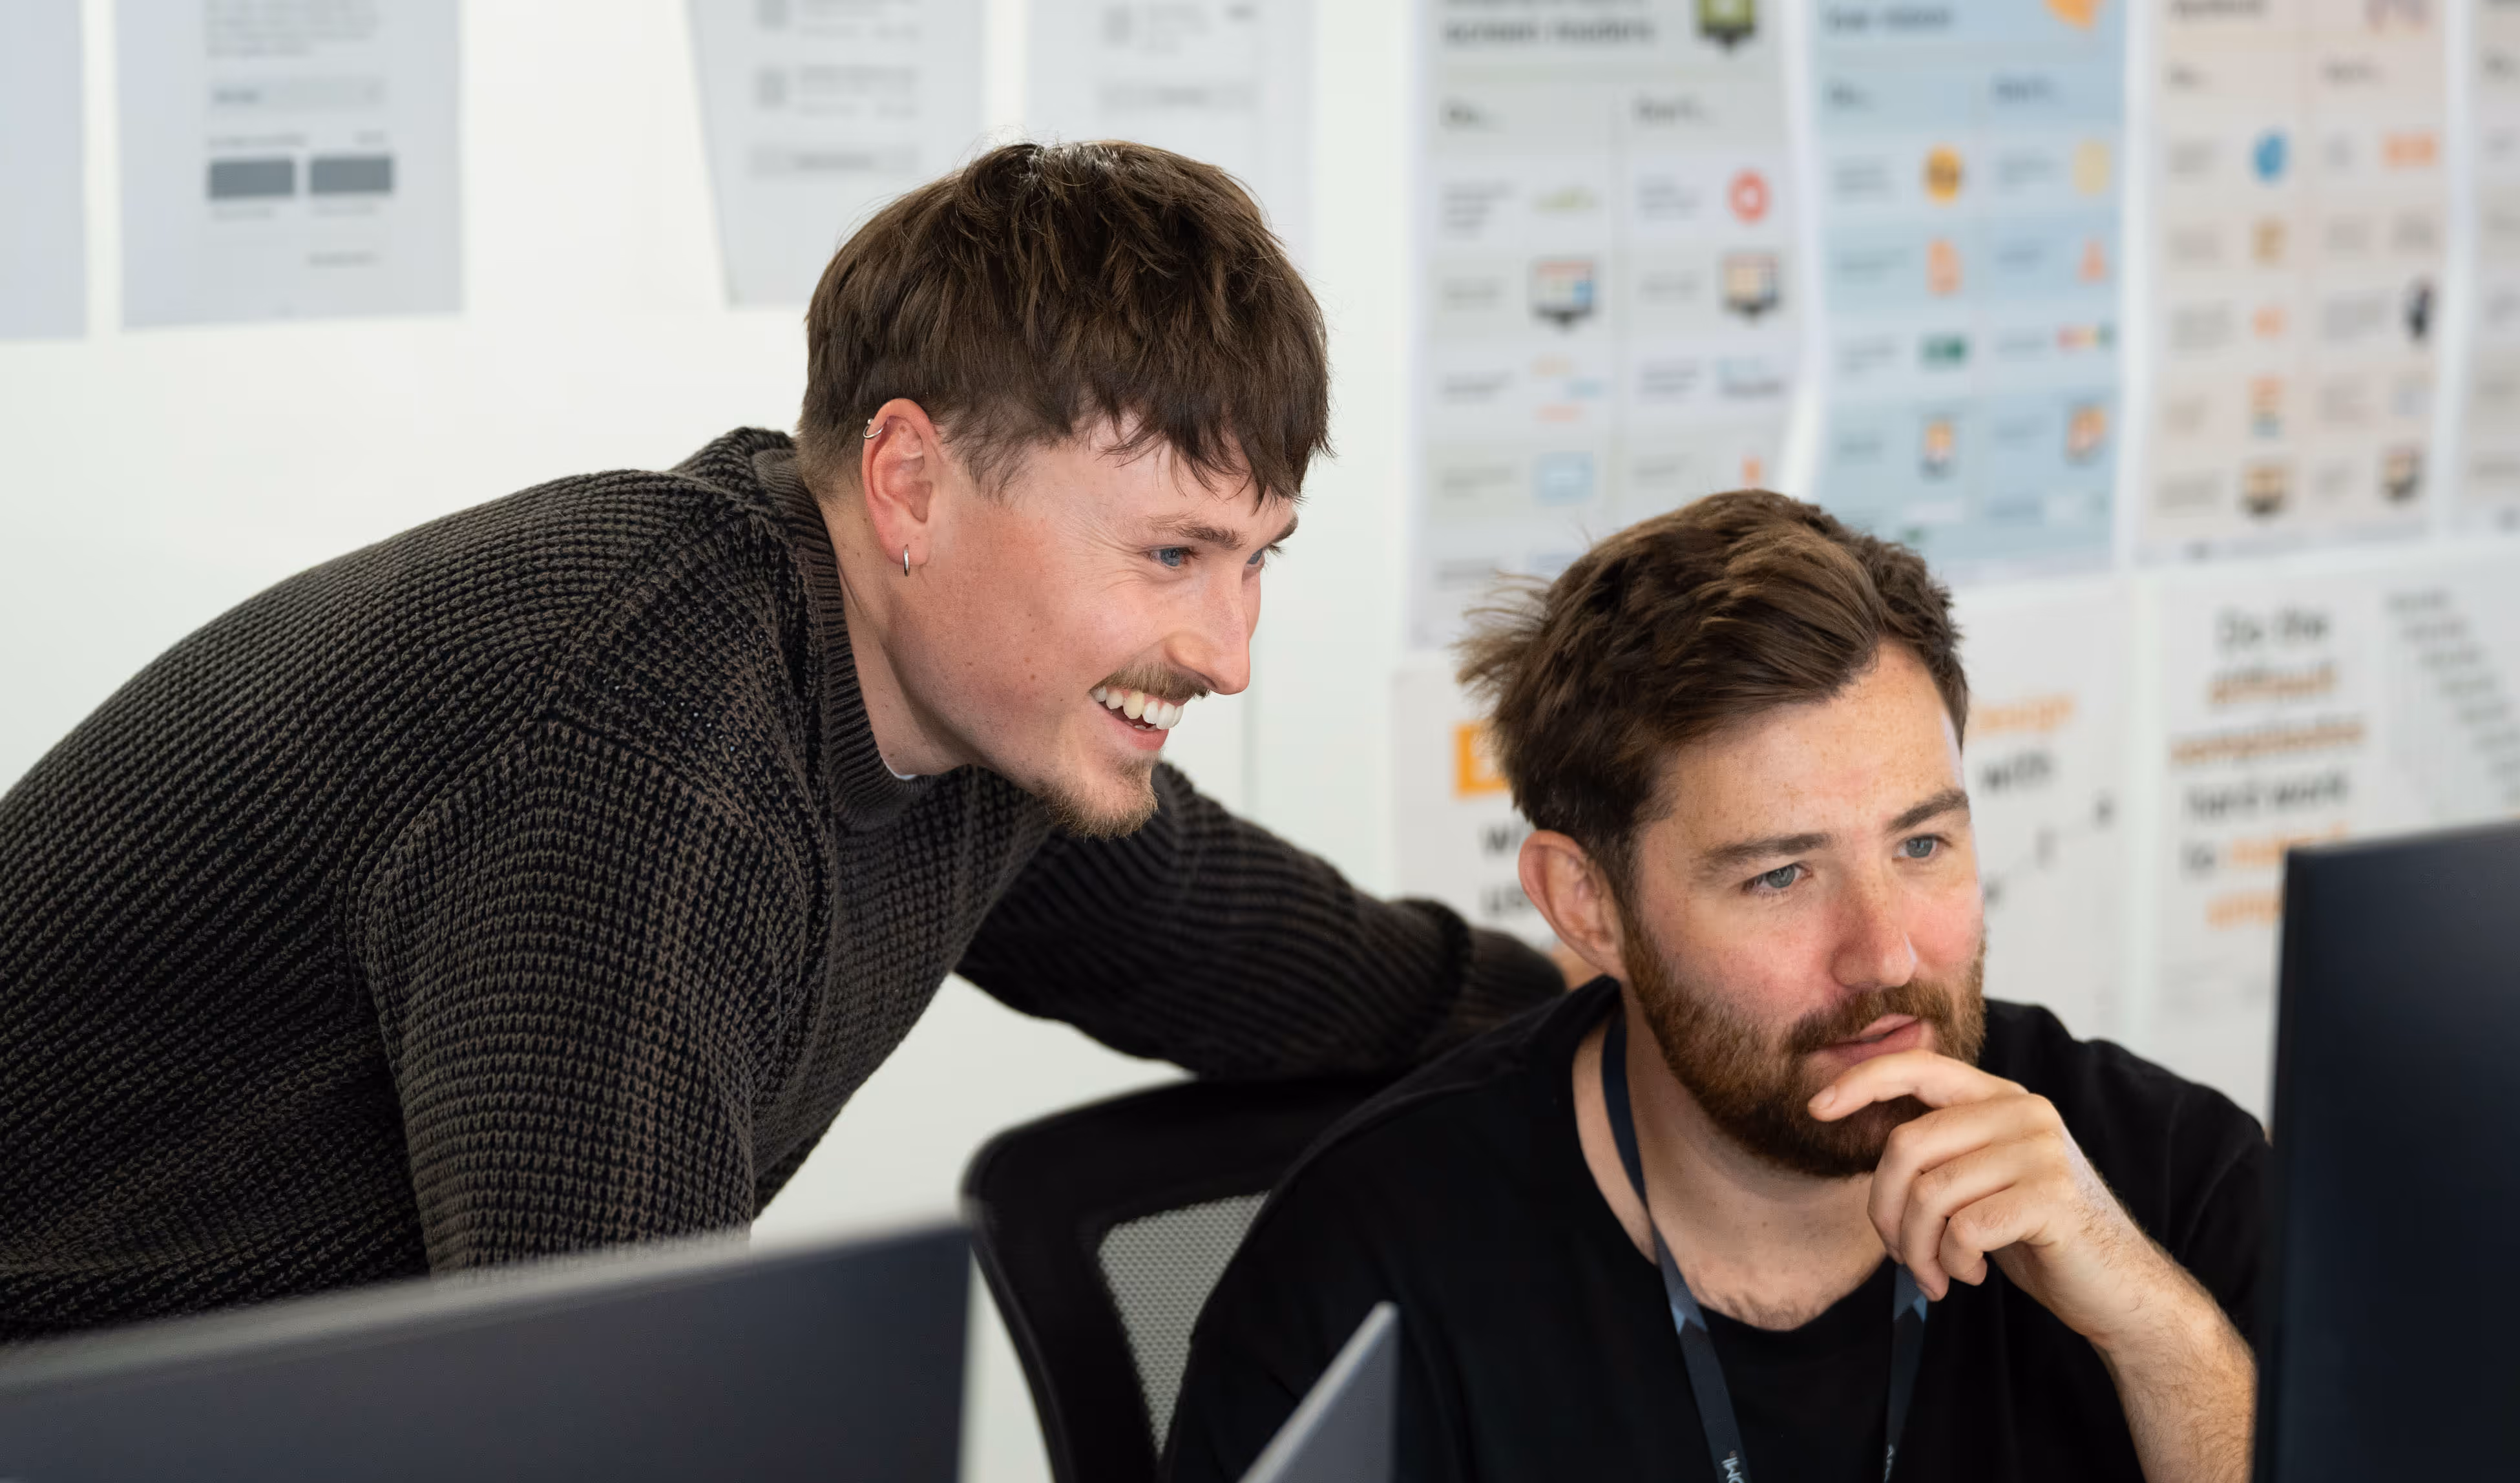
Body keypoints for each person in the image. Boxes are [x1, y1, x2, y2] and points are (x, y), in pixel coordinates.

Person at [0, 142, 1563, 1340]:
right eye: (1168, 554)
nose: (1226, 653)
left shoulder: (959, 723)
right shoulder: (641, 738)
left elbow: (1280, 963)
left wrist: (1607, 1007)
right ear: (910, 485)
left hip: (216, 1476)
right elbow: (612, 1426)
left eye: (1256, 558)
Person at [1119, 492, 2261, 1483]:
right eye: (1780, 874)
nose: (1883, 953)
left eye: (1922, 847)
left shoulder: (2154, 1175)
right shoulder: (1364, 1275)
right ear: (1587, 906)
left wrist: (2168, 1343)